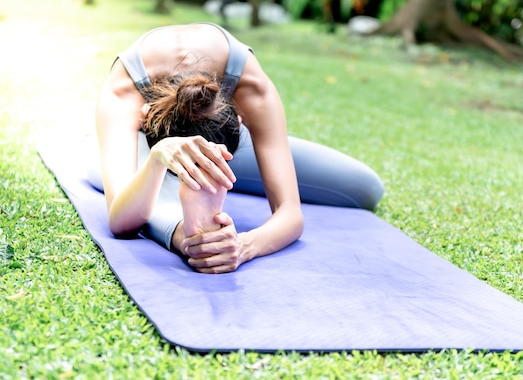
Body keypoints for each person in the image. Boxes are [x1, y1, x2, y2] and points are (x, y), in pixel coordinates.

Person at [93, 22, 384, 274]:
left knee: (365, 189)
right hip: (147, 152)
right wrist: (158, 158)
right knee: (118, 189)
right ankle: (184, 232)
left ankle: (199, 185)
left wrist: (243, 246)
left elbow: (290, 213)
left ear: (240, 117)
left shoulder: (251, 86)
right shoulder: (125, 93)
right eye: (199, 170)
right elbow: (121, 222)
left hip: (203, 143)